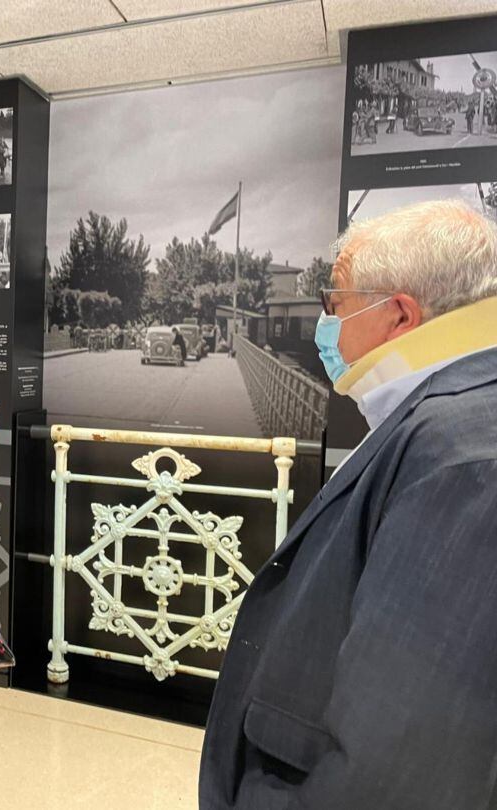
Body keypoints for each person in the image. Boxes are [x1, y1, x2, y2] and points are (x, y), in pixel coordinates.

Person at [200, 199, 497, 809]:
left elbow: (401, 753)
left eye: (335, 300)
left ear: (398, 315)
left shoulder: (462, 453)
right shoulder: (447, 418)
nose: (326, 322)